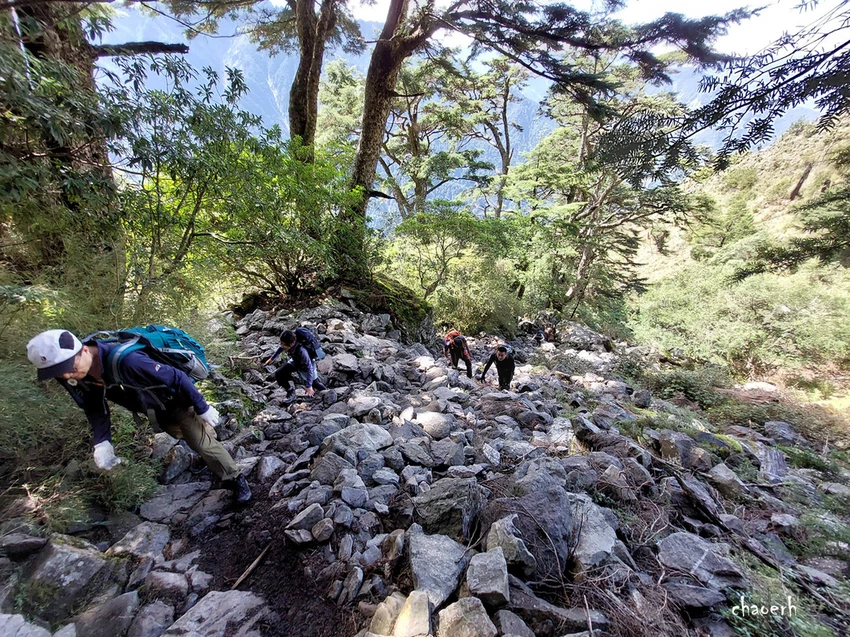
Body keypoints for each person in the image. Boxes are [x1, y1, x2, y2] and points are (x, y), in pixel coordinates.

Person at [26, 329, 252, 503]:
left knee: (199, 441)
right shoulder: (73, 374)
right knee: (179, 432)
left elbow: (176, 377)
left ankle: (235, 478)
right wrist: (102, 442)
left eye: (70, 367)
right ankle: (209, 440)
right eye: (59, 372)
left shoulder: (128, 361)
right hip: (154, 408)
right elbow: (94, 406)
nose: (67, 375)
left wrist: (202, 406)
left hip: (177, 400)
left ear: (84, 349)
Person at [264, 329, 326, 403]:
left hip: (305, 365)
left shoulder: (302, 351)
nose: (281, 345)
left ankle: (327, 392)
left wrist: (309, 386)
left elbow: (309, 368)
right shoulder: (289, 341)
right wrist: (272, 359)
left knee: (315, 383)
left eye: (283, 344)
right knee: (279, 374)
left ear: (292, 344)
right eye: (281, 343)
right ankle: (290, 392)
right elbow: (281, 348)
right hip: (295, 361)